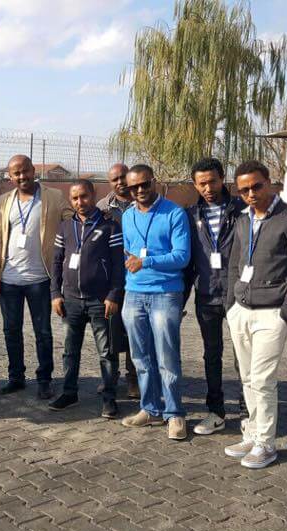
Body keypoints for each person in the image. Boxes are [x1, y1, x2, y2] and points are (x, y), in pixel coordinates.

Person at [224, 160, 287, 469]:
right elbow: (234, 264)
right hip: (241, 310)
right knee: (247, 377)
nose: (251, 193)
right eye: (244, 189)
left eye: (256, 186)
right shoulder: (242, 220)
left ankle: (266, 443)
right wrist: (230, 304)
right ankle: (252, 432)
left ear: (270, 183)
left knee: (263, 379)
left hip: (272, 312)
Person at [119, 164, 191, 441]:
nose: (139, 191)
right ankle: (150, 409)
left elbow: (181, 256)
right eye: (133, 187)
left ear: (154, 182)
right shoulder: (127, 217)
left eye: (144, 184)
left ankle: (175, 413)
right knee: (140, 357)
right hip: (134, 293)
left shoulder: (174, 213)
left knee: (167, 358)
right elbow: (127, 254)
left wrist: (146, 261)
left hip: (165, 293)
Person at [0, 155, 71, 399]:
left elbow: (72, 222)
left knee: (43, 332)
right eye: (16, 173)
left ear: (33, 170)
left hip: (40, 278)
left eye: (25, 171)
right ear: (10, 176)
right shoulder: (4, 200)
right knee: (10, 330)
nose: (21, 176)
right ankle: (16, 377)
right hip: (9, 279)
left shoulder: (54, 196)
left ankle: (44, 379)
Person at [49, 180, 125, 417]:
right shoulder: (64, 227)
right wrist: (55, 294)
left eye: (84, 197)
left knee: (107, 352)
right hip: (70, 300)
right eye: (74, 198)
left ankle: (109, 398)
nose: (79, 202)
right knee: (70, 350)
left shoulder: (110, 227)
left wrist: (113, 295)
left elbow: (117, 266)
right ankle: (69, 392)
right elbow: (56, 262)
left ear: (93, 196)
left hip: (100, 302)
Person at [183, 157, 248, 436]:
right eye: (201, 183)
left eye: (212, 181)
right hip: (206, 296)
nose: (208, 188)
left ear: (223, 179)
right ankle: (216, 412)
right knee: (212, 355)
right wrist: (181, 299)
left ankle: (249, 412)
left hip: (238, 297)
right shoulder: (189, 215)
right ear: (195, 185)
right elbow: (187, 263)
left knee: (243, 357)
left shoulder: (243, 211)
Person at [96, 163, 139, 399]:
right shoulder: (102, 207)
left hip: (137, 276)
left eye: (123, 177)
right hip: (110, 279)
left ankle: (133, 378)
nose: (120, 182)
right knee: (109, 332)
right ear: (109, 182)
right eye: (115, 179)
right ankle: (109, 378)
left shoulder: (143, 202)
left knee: (133, 330)